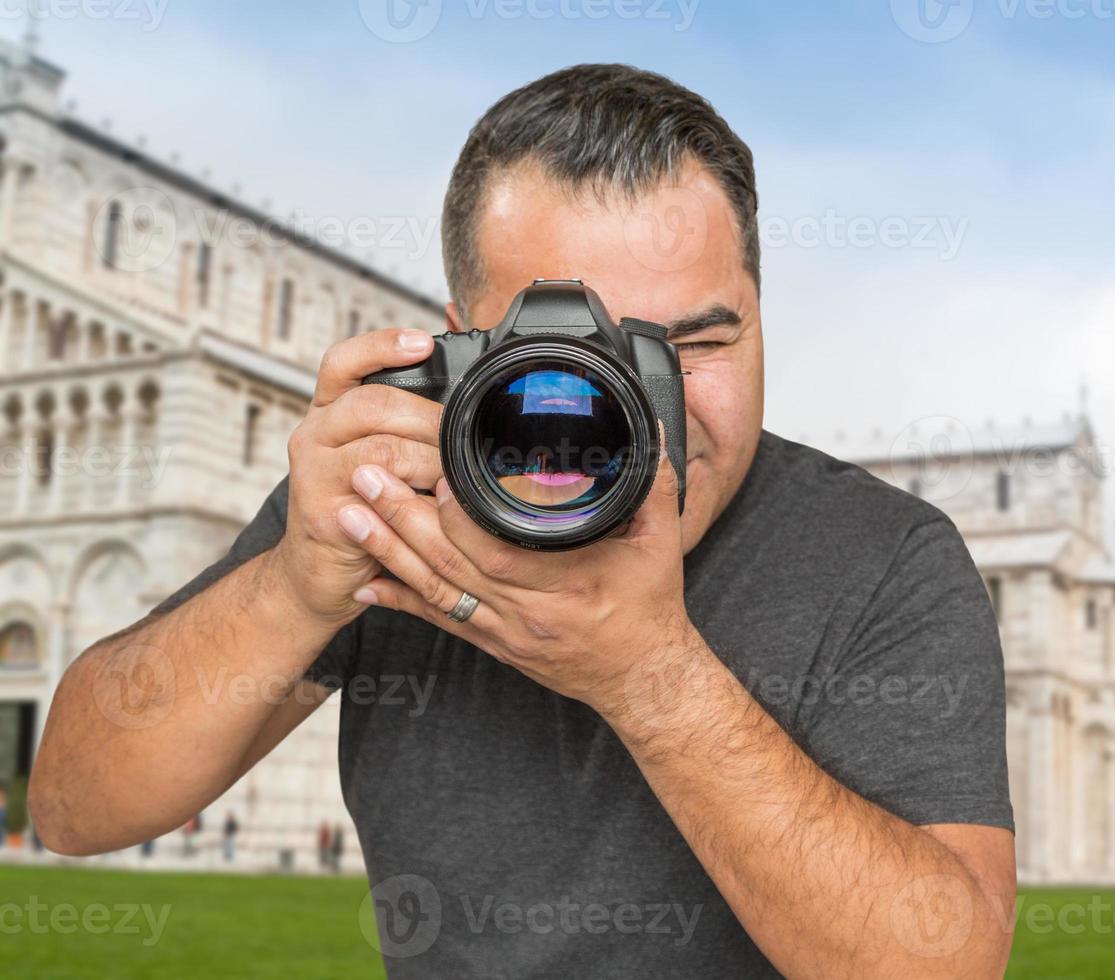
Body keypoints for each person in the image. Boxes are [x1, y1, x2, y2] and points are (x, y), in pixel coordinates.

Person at [29, 64, 1015, 978]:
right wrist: (292, 586)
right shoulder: (401, 505)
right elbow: (73, 806)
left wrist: (649, 676)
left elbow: (944, 961)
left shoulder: (882, 555)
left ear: (760, 316)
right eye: (576, 357)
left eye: (694, 344)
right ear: (464, 346)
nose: (645, 409)